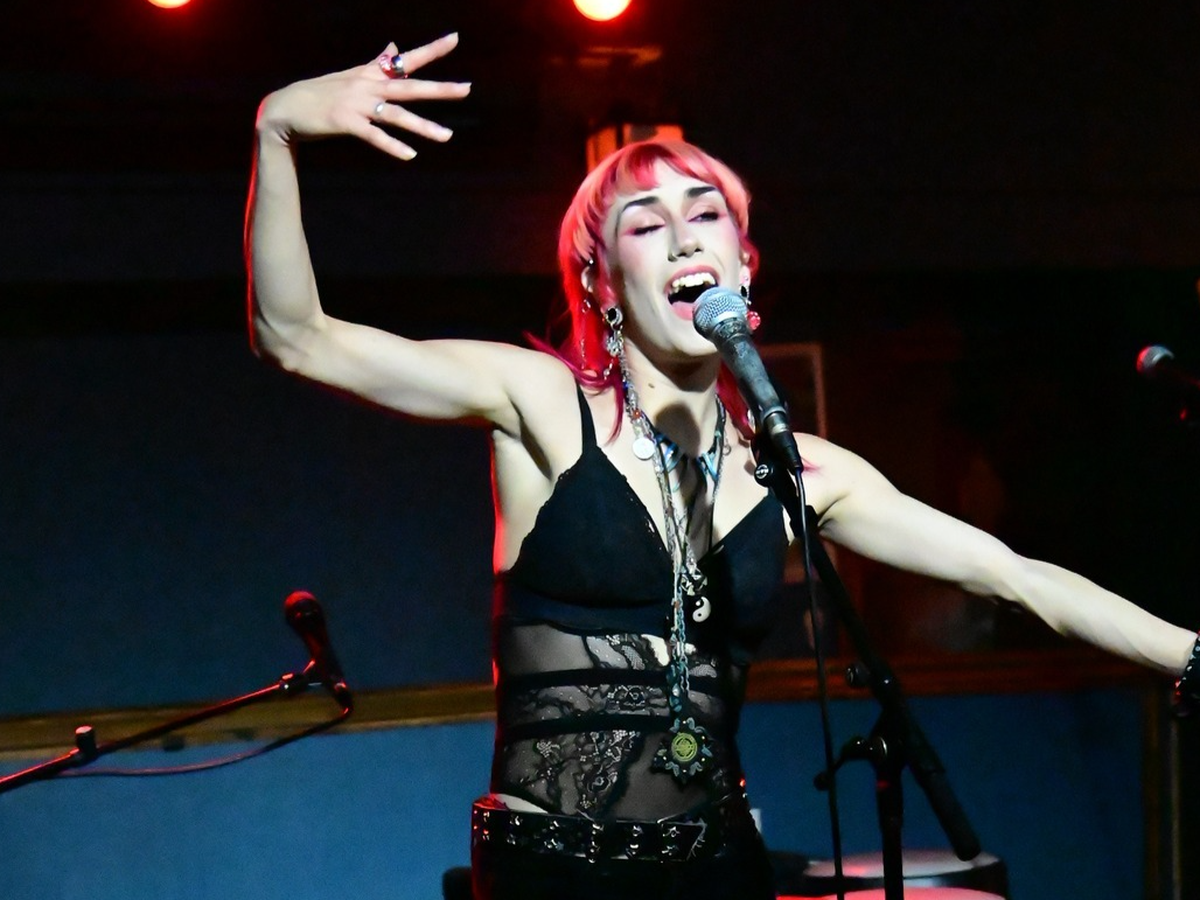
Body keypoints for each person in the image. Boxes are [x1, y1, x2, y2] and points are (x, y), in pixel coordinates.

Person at [245, 33, 1199, 900]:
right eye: (645, 223)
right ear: (603, 281)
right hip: (555, 872)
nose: (684, 235)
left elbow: (1012, 574)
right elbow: (297, 337)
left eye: (705, 214)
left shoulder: (796, 470)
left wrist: (1190, 654)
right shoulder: (543, 403)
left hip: (718, 865)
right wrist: (277, 131)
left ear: (742, 265)